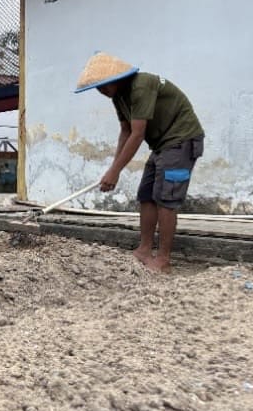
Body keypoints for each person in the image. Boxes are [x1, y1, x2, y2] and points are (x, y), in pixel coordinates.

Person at [75, 52, 204, 273]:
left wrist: (115, 171)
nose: (101, 91)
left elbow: (137, 134)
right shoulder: (118, 97)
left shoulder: (141, 86)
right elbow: (125, 131)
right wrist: (113, 168)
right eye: (97, 88)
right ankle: (144, 249)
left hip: (181, 140)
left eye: (103, 85)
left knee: (166, 198)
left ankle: (163, 260)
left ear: (116, 78)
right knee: (146, 194)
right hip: (161, 145)